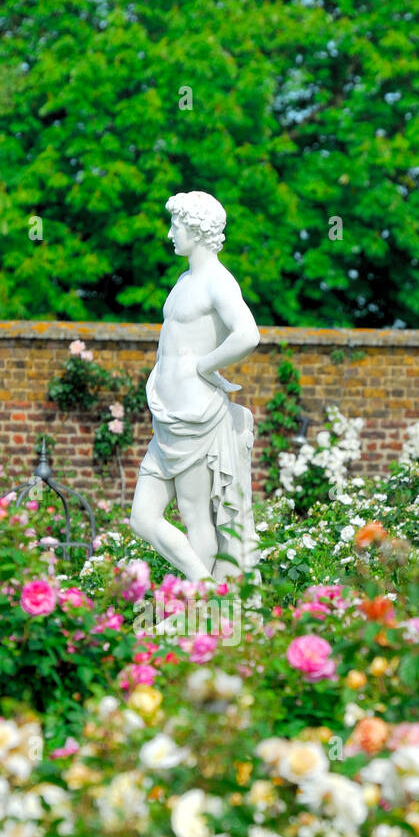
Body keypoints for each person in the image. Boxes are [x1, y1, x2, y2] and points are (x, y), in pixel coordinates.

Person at [129, 191, 261, 582]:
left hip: (195, 419)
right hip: (167, 419)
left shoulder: (218, 281)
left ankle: (198, 606)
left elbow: (248, 334)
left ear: (198, 231)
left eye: (177, 226)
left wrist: (204, 366)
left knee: (196, 520)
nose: (171, 233)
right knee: (142, 518)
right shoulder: (187, 278)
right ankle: (203, 591)